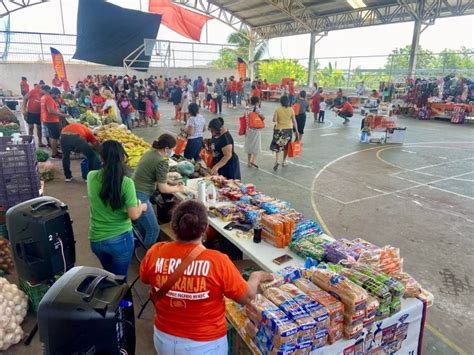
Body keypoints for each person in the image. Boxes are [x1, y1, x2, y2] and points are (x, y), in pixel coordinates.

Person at [139, 200, 272, 355]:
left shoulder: (155, 252)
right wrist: (256, 276)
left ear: (174, 226)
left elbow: (145, 278)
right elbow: (247, 296)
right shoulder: (217, 261)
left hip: (164, 339)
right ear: (206, 229)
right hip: (205, 344)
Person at [87, 140, 147, 277]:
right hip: (120, 240)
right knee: (120, 282)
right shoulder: (126, 183)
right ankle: (124, 299)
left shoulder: (91, 177)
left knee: (109, 277)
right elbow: (133, 215)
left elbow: (103, 199)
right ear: (123, 158)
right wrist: (141, 207)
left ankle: (110, 297)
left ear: (101, 157)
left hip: (96, 239)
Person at [133, 134, 185, 248]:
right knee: (153, 229)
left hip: (134, 192)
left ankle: (138, 248)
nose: (172, 151)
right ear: (166, 148)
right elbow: (163, 188)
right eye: (172, 149)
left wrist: (169, 178)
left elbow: (154, 175)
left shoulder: (150, 153)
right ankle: (147, 258)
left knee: (143, 227)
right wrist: (177, 188)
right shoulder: (161, 162)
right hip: (141, 195)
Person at [270, 95, 299, 171]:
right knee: (286, 147)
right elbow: (294, 121)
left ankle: (276, 161)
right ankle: (284, 161)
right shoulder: (291, 110)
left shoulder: (277, 110)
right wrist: (297, 131)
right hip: (288, 130)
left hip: (279, 130)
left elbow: (274, 120)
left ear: (281, 102)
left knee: (277, 146)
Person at [40, 86, 68, 159]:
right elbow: (51, 111)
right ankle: (54, 154)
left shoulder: (44, 97)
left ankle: (55, 151)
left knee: (51, 136)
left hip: (46, 119)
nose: (57, 96)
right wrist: (63, 115)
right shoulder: (49, 98)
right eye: (56, 95)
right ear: (53, 93)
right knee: (54, 137)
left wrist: (58, 111)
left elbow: (50, 109)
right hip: (51, 120)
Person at [244, 96, 265, 169]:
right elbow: (263, 117)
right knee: (256, 146)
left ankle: (248, 162)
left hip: (248, 130)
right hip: (255, 130)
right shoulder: (256, 109)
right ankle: (253, 160)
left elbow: (245, 118)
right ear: (257, 102)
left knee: (249, 146)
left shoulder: (246, 109)